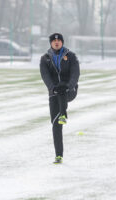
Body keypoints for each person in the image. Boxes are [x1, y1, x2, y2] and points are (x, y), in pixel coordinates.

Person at [40, 33, 80, 164]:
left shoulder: (71, 56)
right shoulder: (45, 59)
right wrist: (52, 88)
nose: (56, 42)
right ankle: (59, 155)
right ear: (51, 43)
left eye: (59, 40)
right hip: (54, 93)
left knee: (62, 87)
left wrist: (69, 86)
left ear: (62, 42)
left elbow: (75, 73)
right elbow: (45, 76)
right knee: (55, 124)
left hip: (69, 91)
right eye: (54, 40)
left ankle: (63, 114)